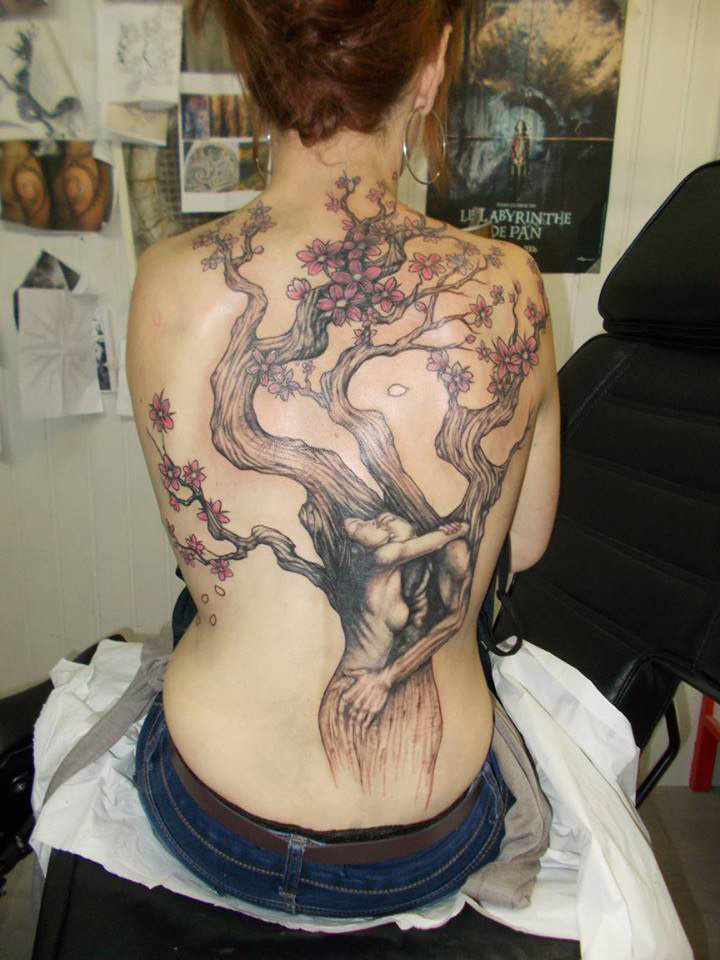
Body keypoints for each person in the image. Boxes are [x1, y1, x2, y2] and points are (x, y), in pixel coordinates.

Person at [126, 0, 560, 920]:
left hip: (215, 817)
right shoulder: (510, 287)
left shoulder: (169, 278)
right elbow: (524, 543)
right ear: (432, 66)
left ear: (257, 70)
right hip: (421, 841)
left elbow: (199, 535)